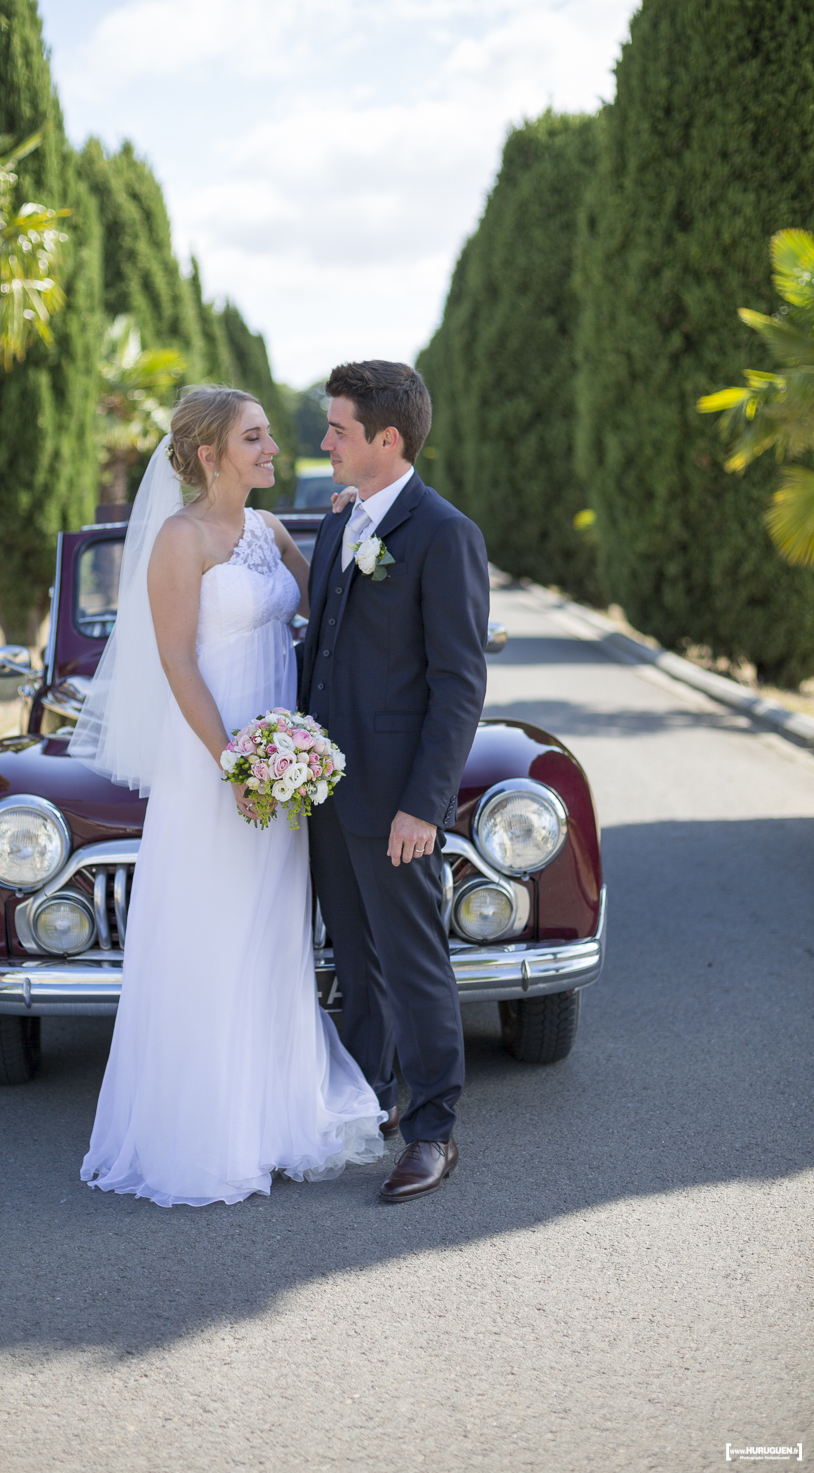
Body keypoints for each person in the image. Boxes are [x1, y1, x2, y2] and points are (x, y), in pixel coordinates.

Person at [70, 386, 386, 1207]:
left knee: (272, 927)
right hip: (218, 763)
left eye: (269, 435)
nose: (272, 448)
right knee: (214, 927)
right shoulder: (179, 540)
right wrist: (234, 766)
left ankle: (275, 1115)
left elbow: (326, 606)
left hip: (281, 765)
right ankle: (212, 1130)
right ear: (210, 455)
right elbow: (178, 662)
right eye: (255, 437)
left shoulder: (269, 530)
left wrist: (354, 526)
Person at [301, 361, 490, 1203]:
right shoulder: (341, 522)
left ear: (387, 438)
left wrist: (424, 804)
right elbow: (323, 649)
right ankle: (371, 1095)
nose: (325, 442)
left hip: (396, 800)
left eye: (338, 429)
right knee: (354, 954)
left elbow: (459, 684)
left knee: (414, 963)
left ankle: (434, 1130)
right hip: (326, 793)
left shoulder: (445, 534)